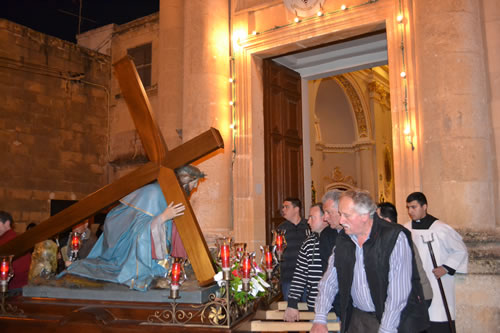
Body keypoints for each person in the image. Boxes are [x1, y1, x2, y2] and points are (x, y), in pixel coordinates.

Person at [61, 165, 204, 291]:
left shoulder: (171, 194)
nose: (195, 187)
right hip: (124, 247)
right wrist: (163, 217)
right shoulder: (153, 192)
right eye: (194, 183)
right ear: (185, 180)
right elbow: (139, 231)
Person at [311, 190, 429, 333]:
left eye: (346, 215)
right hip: (359, 318)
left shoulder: (393, 237)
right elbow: (329, 280)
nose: (341, 221)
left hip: (397, 320)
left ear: (364, 216)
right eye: (341, 214)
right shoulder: (344, 239)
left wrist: (386, 329)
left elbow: (398, 293)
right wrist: (320, 317)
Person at [404, 192, 468, 333]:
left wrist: (446, 268)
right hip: (416, 286)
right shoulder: (405, 229)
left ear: (425, 206)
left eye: (414, 207)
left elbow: (460, 250)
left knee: (438, 320)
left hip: (438, 283)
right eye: (408, 207)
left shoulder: (441, 229)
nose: (410, 211)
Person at [377, 202, 433, 304]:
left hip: (416, 295)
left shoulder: (399, 237)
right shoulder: (389, 237)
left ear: (387, 220)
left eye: (376, 219)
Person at [284, 203, 328, 322]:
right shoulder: (308, 243)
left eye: (312, 217)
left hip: (334, 308)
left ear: (325, 218)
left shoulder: (338, 240)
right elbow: (300, 274)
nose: (308, 221)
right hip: (314, 307)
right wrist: (292, 304)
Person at [277, 197, 310, 301]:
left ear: (296, 209)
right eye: (283, 207)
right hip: (288, 277)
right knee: (290, 311)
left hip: (307, 278)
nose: (283, 210)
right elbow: (275, 252)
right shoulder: (281, 229)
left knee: (309, 311)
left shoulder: (308, 226)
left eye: (286, 207)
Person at [0, 211, 32, 293]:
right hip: (22, 287)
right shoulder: (16, 238)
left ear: (7, 223)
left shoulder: (8, 241)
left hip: (12, 290)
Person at [319, 190, 343, 271]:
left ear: (341, 211)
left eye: (328, 212)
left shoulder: (357, 231)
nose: (325, 218)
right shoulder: (326, 234)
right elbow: (327, 269)